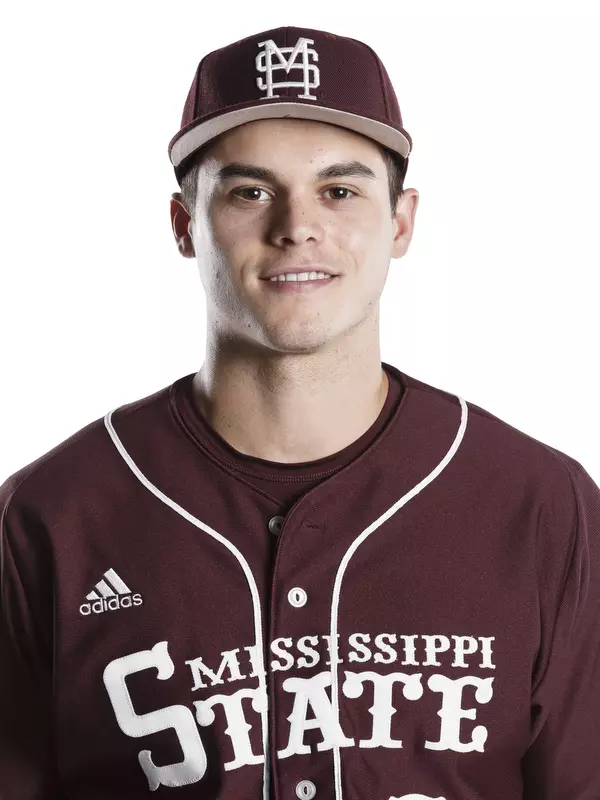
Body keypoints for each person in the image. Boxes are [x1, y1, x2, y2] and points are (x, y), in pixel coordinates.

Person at [1, 24, 599, 800]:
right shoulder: (48, 518)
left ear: (401, 221)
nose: (296, 227)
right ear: (185, 225)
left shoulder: (543, 507)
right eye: (250, 191)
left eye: (340, 190)